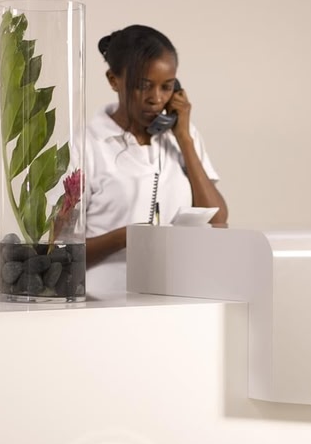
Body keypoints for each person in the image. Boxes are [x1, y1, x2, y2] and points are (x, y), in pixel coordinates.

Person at [84, 24, 228, 297]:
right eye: (143, 86)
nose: (157, 99)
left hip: (174, 300)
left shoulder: (182, 137)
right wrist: (126, 238)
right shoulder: (85, 145)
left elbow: (218, 220)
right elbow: (57, 253)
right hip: (103, 304)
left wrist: (183, 138)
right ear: (114, 80)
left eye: (167, 86)